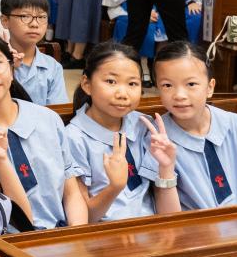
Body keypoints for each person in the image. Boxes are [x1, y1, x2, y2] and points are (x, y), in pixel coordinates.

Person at [0, 30, 88, 229]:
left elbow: (72, 193)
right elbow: (9, 216)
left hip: (63, 234)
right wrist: (1, 159)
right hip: (11, 239)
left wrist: (76, 235)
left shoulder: (47, 118)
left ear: (12, 69)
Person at [140, 41, 237, 209]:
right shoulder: (157, 140)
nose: (179, 95)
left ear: (210, 87)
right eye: (167, 85)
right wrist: (166, 170)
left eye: (191, 84)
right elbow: (168, 217)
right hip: (193, 226)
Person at [64, 42, 172, 221]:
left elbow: (164, 205)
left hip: (151, 227)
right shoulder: (73, 138)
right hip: (106, 232)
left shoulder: (143, 124)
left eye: (132, 83)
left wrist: (166, 168)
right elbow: (83, 219)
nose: (122, 93)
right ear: (87, 84)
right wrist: (114, 187)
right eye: (111, 81)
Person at [1, 0, 67, 106]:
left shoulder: (53, 67)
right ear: (5, 20)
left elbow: (58, 111)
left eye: (41, 17)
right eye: (25, 16)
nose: (35, 24)